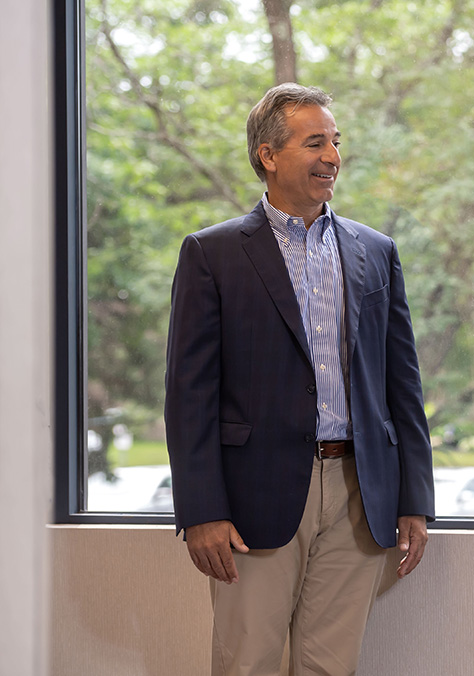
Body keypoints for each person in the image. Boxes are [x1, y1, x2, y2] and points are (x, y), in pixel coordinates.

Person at [164, 83, 434, 675]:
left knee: (331, 666)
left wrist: (414, 497)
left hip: (360, 492)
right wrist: (201, 509)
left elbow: (401, 383)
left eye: (336, 142)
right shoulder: (212, 254)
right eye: (315, 143)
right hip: (251, 497)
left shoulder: (375, 250)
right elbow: (189, 396)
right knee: (248, 663)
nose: (332, 157)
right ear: (268, 154)